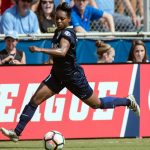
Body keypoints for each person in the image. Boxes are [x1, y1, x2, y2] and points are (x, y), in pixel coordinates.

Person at [0, 2, 140, 142]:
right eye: (57, 18)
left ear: (68, 20)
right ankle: (16, 132)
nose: (59, 21)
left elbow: (62, 52)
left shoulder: (68, 33)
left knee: (97, 104)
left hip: (73, 77)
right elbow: (55, 55)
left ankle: (128, 101)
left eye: (62, 18)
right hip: (57, 76)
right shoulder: (57, 32)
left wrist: (39, 49)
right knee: (34, 100)